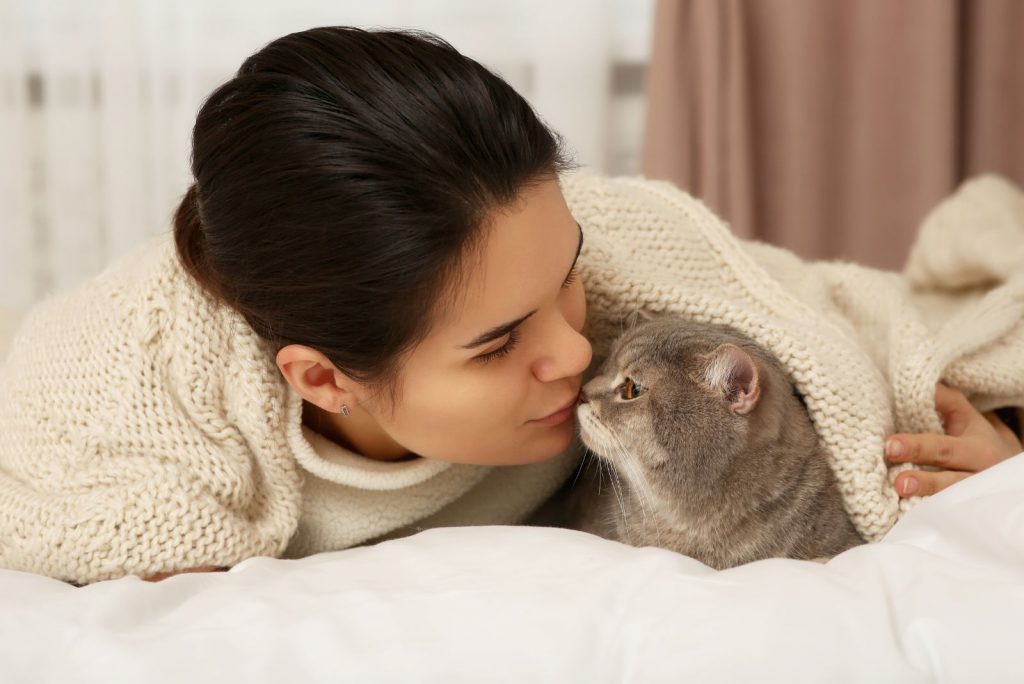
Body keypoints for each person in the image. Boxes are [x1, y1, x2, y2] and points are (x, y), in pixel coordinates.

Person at [0, 27, 1019, 585]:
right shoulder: (118, 393)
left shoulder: (595, 239)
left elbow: (828, 322)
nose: (572, 351)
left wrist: (984, 441)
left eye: (565, 277)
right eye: (497, 346)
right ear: (321, 379)